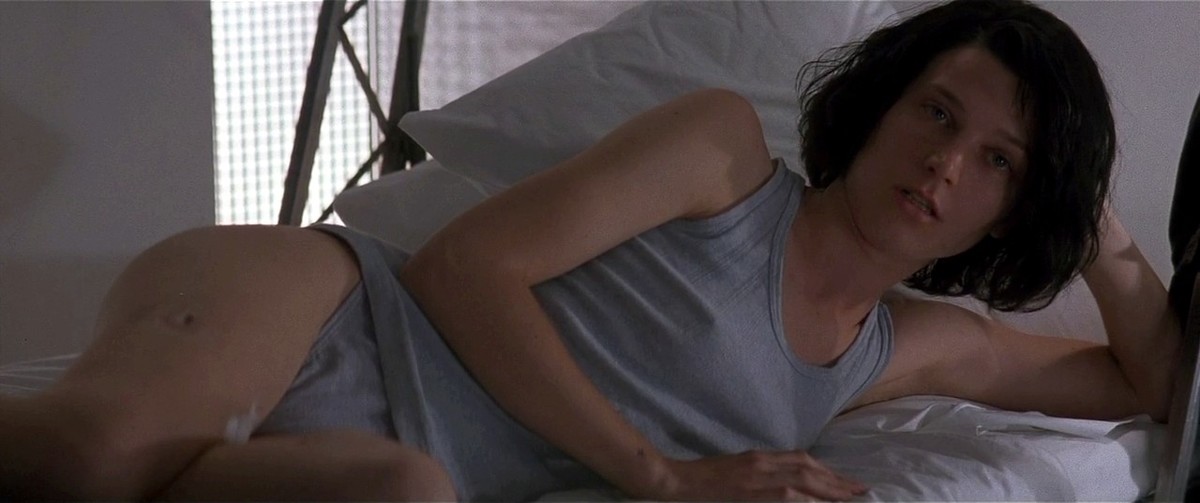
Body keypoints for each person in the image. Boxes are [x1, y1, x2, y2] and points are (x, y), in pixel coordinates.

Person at [0, 0, 1181, 500]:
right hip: (320, 307)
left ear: (1013, 210)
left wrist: (1102, 236)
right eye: (937, 112)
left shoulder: (905, 345)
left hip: (404, 463)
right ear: (883, 103)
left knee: (402, 494)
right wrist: (659, 476)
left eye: (998, 162)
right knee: (88, 456)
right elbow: (462, 266)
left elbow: (1160, 386)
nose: (945, 163)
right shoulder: (723, 149)